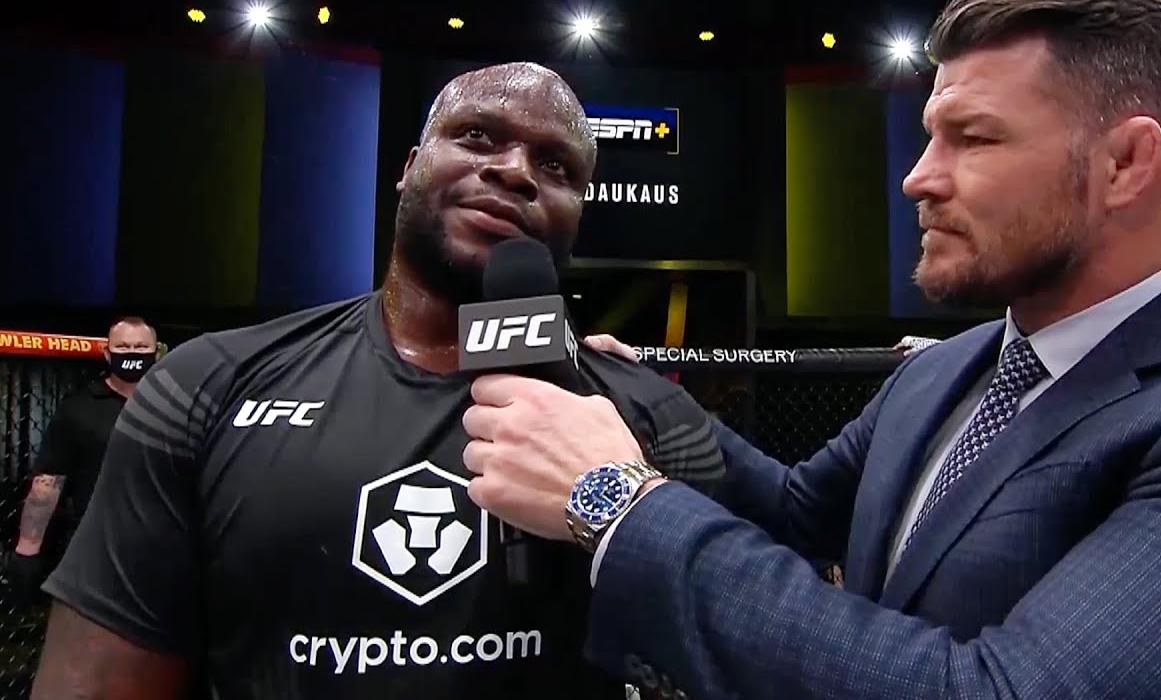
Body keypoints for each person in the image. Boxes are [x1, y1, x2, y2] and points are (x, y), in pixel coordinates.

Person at [459, 0, 1161, 698]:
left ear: (1126, 163)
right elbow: (794, 513)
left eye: (974, 137)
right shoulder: (946, 372)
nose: (918, 176)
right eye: (930, 134)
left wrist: (617, 504)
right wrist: (628, 397)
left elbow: (999, 690)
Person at [30, 62, 722, 700]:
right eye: (477, 136)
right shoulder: (206, 386)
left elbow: (724, 653)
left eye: (555, 165)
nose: (514, 171)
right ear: (410, 167)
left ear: (578, 211)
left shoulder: (652, 413)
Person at [8, 317, 158, 601]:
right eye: (123, 346)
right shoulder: (79, 409)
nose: (132, 353)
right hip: (94, 548)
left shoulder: (174, 406)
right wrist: (28, 549)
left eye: (140, 347)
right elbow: (47, 484)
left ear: (156, 352)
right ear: (107, 353)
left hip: (163, 547)